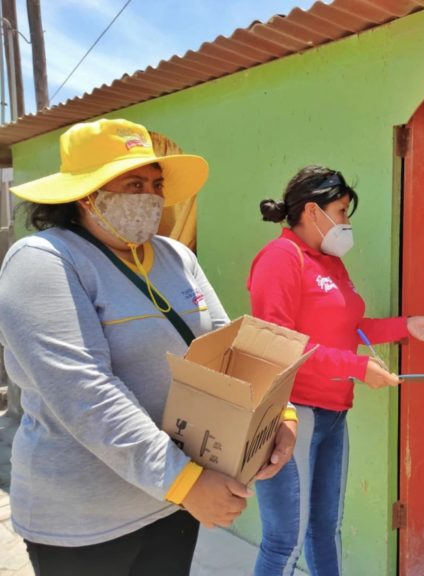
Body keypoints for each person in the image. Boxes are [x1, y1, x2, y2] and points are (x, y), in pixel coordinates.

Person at [0, 118, 296, 576]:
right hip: (87, 521)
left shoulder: (178, 257)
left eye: (156, 184)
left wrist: (280, 415)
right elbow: (85, 395)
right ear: (86, 193)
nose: (151, 197)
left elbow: (231, 349)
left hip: (172, 506)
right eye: (134, 183)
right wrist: (185, 481)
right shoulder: (43, 261)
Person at [247, 165, 424, 575]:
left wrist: (405, 326)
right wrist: (357, 367)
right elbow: (277, 344)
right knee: (283, 541)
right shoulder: (280, 258)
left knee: (325, 530)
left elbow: (350, 327)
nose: (346, 223)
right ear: (311, 211)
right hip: (292, 414)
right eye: (341, 212)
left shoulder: (330, 264)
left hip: (333, 414)